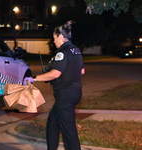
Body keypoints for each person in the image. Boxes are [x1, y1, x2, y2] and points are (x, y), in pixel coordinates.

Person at [23, 20, 85, 150]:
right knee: (53, 122)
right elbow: (81, 71)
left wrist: (34, 78)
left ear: (61, 37)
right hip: (75, 92)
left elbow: (55, 74)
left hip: (65, 94)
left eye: (55, 38)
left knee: (68, 130)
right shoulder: (76, 50)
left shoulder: (62, 53)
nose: (54, 41)